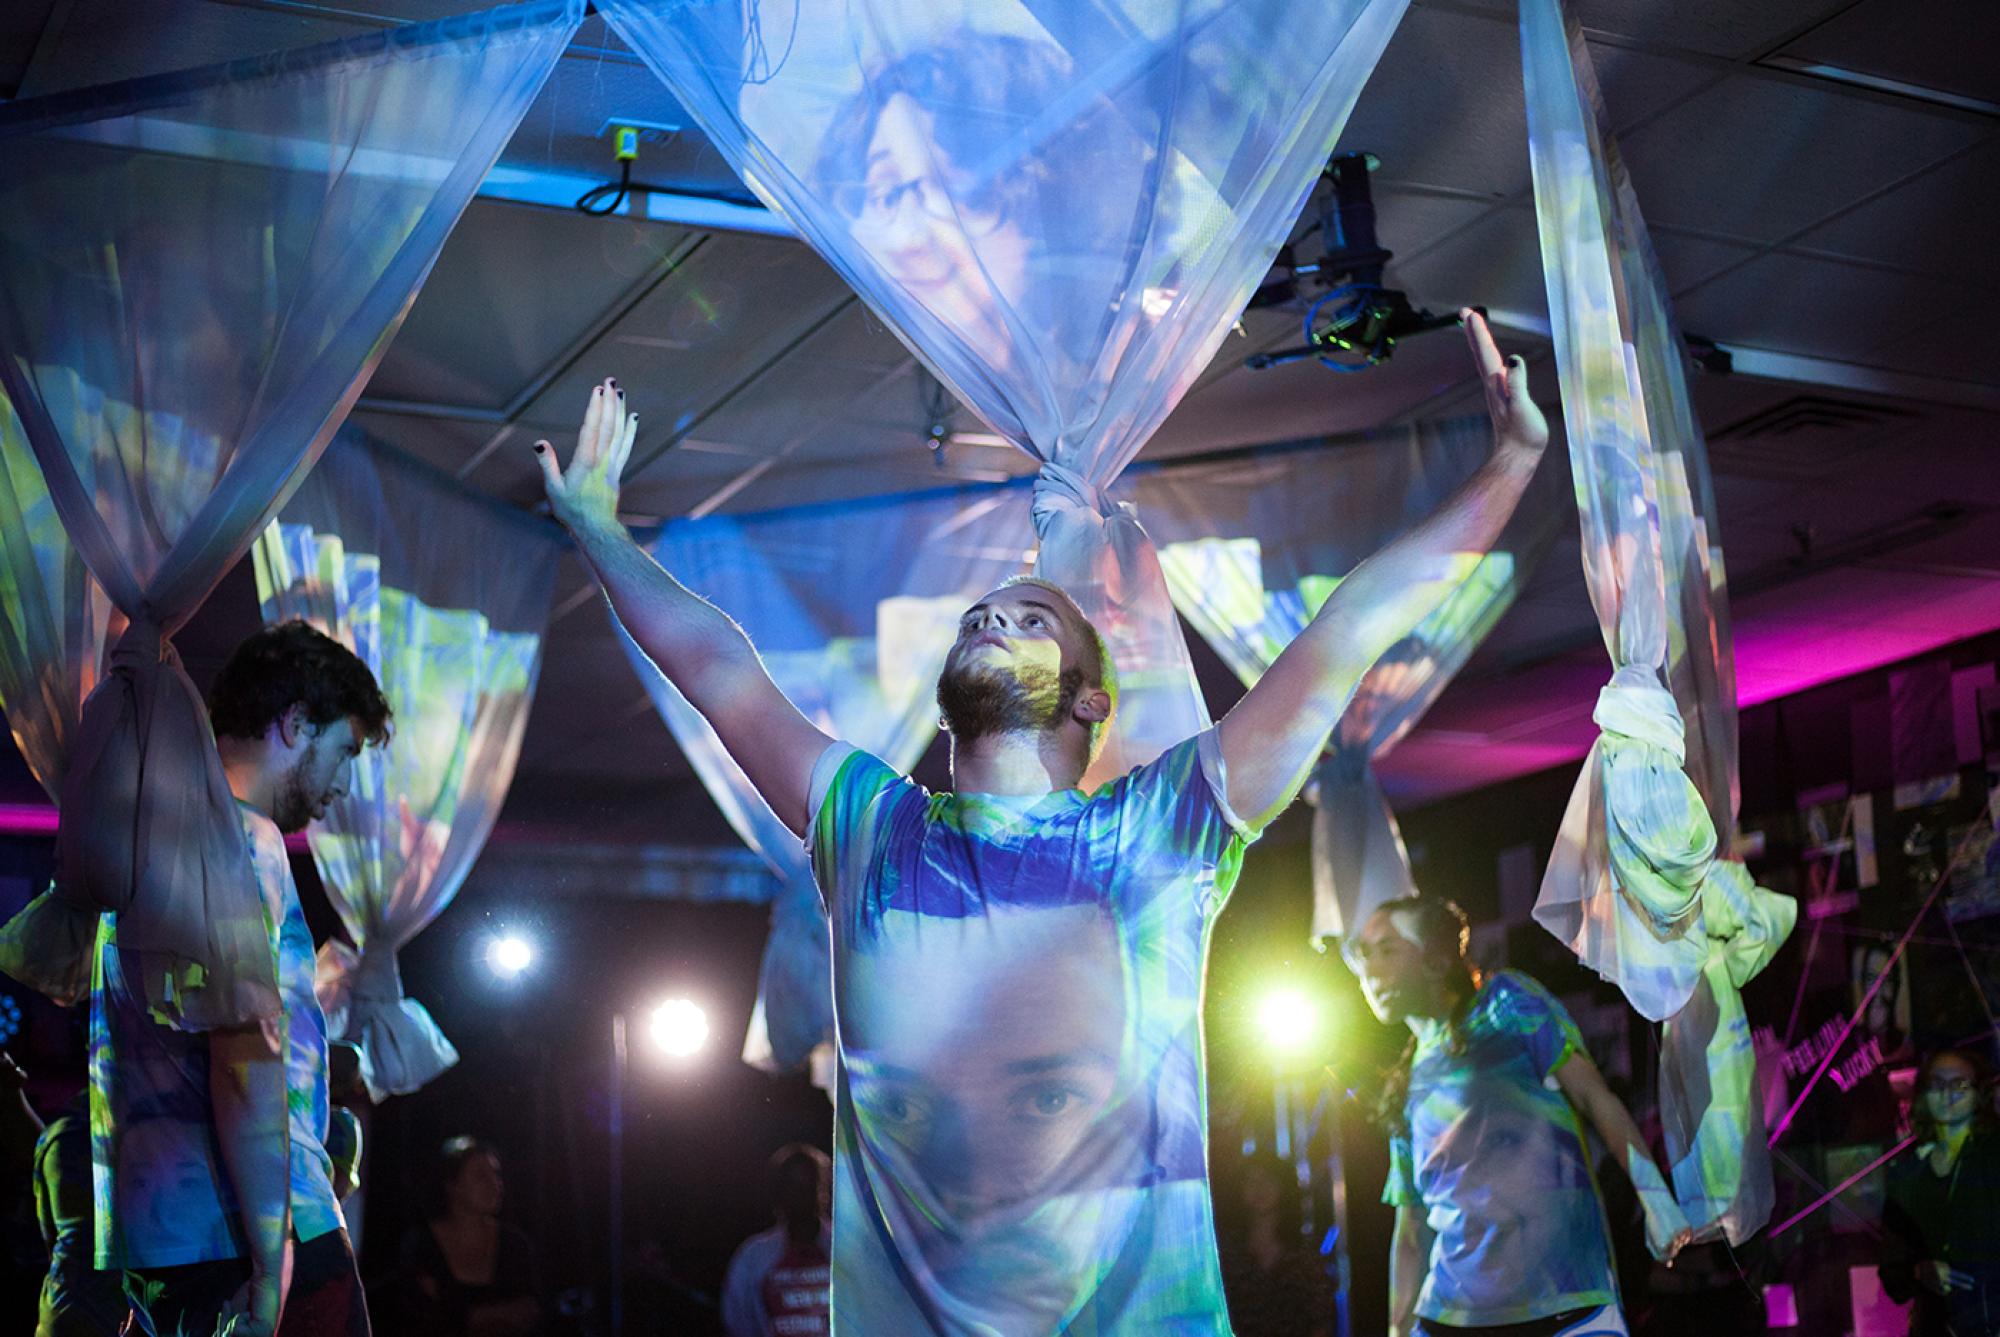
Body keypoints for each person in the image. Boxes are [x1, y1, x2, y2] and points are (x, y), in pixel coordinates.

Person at [537, 298, 1547, 1330]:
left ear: (1088, 698)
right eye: (981, 616)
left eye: (1027, 619)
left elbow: (1346, 631)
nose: (989, 617)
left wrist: (1505, 466)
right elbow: (722, 670)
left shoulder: (1157, 831)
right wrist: (597, 527)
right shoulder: (872, 828)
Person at [90, 620, 389, 1337]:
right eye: (343, 750)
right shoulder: (244, 842)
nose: (344, 784)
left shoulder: (142, 839)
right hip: (254, 1233)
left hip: (156, 1231)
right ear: (294, 723)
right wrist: (271, 1259)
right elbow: (242, 1061)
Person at [1346, 897, 1693, 1337]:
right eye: (1364, 955)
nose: (1369, 970)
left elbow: (1593, 1097)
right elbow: (1411, 1228)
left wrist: (1656, 1200)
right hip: (1453, 1314)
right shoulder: (1405, 1085)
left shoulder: (1505, 1002)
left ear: (1434, 960)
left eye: (1388, 950)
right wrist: (1397, 1328)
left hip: (1566, 1303)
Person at [1878, 1047, 2000, 1336]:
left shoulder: (1994, 1156)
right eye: (1937, 1084)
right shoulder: (1907, 1171)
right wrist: (1919, 1272)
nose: (1947, 1093)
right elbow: (1892, 1272)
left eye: (1959, 1084)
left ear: (1979, 1094)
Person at [393, 1136, 544, 1337]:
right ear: (452, 1184)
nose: (495, 1183)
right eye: (481, 1175)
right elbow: (419, 1318)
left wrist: (467, 1316)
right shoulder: (422, 1245)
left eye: (496, 1174)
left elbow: (530, 1311)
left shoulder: (515, 1244)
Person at [1214, 1150, 1337, 1337]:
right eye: (1251, 1181)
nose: (1260, 1188)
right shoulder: (1227, 1256)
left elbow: (1320, 1319)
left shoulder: (1303, 1254)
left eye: (1268, 1179)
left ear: (1282, 1186)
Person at [33, 1093, 128, 1336]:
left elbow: (49, 1236)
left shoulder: (60, 1132)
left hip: (61, 1305)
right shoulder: (148, 1131)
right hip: (114, 1312)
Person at [721, 1144, 832, 1337]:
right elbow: (737, 1319)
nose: (801, 1196)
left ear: (821, 1190)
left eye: (808, 1186)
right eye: (793, 1186)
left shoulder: (847, 1249)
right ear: (779, 1192)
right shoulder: (754, 1256)